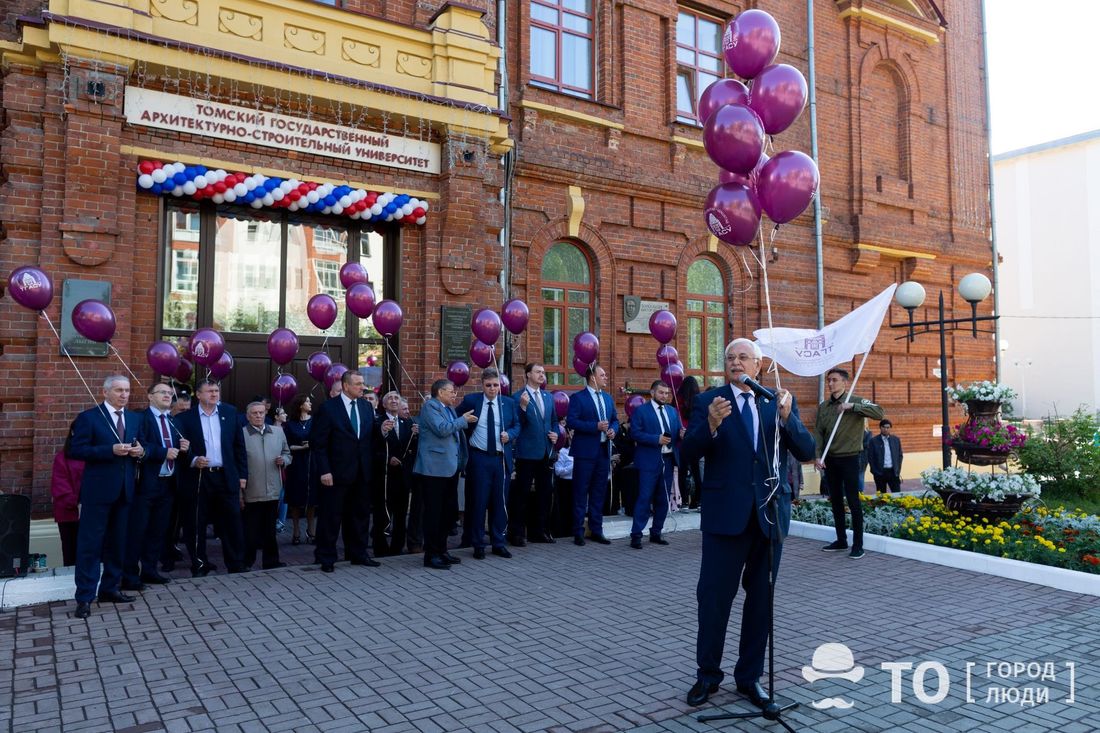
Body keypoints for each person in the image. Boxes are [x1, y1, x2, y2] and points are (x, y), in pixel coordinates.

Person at [681, 339, 815, 708]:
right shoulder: (710, 401)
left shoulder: (778, 401)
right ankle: (707, 676)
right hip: (726, 517)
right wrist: (709, 425)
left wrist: (789, 419)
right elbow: (687, 453)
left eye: (743, 357)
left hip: (769, 517)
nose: (735, 362)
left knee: (761, 602)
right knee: (713, 601)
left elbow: (806, 451)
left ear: (759, 365)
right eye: (729, 358)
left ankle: (750, 678)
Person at [67, 375, 147, 619]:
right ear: (105, 392)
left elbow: (143, 446)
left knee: (118, 543)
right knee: (90, 546)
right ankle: (84, 597)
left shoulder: (134, 418)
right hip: (98, 493)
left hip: (124, 491)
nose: (124, 395)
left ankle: (110, 588)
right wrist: (108, 450)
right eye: (119, 390)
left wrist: (141, 451)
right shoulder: (89, 418)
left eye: (127, 390)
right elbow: (75, 450)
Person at [176, 378, 249, 577]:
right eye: (209, 391)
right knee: (196, 522)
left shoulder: (229, 413)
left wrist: (242, 475)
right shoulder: (185, 418)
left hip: (225, 476)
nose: (214, 394)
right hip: (199, 477)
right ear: (198, 395)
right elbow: (179, 449)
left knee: (232, 521)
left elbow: (239, 447)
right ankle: (200, 564)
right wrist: (192, 460)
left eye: (216, 391)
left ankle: (236, 563)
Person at [312, 370, 380, 573]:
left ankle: (358, 553)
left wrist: (383, 431)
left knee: (360, 515)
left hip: (361, 472)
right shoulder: (328, 408)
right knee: (331, 517)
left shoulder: (366, 407)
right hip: (336, 473)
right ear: (346, 386)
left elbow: (369, 439)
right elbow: (319, 443)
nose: (362, 387)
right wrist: (325, 471)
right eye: (358, 384)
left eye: (362, 383)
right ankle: (326, 557)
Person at [123, 383, 189, 590]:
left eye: (170, 393)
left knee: (158, 531)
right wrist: (163, 452)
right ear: (150, 396)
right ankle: (131, 576)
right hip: (145, 484)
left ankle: (150, 570)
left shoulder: (173, 420)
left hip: (168, 484)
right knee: (137, 531)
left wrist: (183, 447)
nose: (168, 396)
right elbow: (138, 444)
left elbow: (175, 449)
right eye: (163, 392)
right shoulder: (141, 418)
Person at [814, 368, 885, 559]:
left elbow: (879, 412)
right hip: (830, 460)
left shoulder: (856, 400)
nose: (830, 383)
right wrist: (818, 456)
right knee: (835, 500)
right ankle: (841, 540)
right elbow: (819, 433)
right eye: (828, 380)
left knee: (853, 502)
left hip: (851, 458)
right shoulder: (824, 406)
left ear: (845, 382)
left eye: (834, 380)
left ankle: (858, 545)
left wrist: (852, 407)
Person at [457, 368, 521, 559]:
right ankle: (478, 544)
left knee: (499, 502)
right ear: (482, 385)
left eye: (496, 385)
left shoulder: (508, 403)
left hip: (500, 459)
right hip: (479, 458)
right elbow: (456, 418)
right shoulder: (472, 401)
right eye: (489, 385)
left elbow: (517, 425)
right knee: (478, 501)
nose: (493, 389)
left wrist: (509, 435)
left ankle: (498, 542)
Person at [413, 379, 475, 570]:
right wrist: (463, 420)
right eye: (451, 391)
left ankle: (442, 550)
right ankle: (431, 554)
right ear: (440, 392)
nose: (454, 395)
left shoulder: (448, 408)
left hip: (449, 468)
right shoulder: (431, 407)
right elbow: (442, 430)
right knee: (434, 513)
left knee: (447, 513)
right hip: (433, 469)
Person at [566, 364, 619, 546]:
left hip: (603, 451)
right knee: (581, 492)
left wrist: (613, 430)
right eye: (602, 374)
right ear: (592, 377)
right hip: (585, 453)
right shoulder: (578, 398)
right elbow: (572, 421)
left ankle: (597, 530)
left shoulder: (608, 398)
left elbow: (615, 420)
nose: (606, 377)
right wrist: (594, 427)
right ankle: (578, 531)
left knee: (599, 492)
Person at [629, 380, 683, 549]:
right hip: (648, 461)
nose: (665, 396)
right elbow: (635, 433)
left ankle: (656, 532)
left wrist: (681, 434)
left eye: (667, 393)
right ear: (652, 393)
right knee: (644, 498)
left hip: (667, 460)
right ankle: (636, 535)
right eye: (661, 393)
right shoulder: (641, 411)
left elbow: (677, 431)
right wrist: (656, 439)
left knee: (663, 500)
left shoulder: (672, 411)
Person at [510, 363, 559, 545]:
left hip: (546, 452)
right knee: (521, 494)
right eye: (538, 372)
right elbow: (516, 424)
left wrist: (556, 433)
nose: (542, 375)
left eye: (543, 373)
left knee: (544, 493)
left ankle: (539, 531)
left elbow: (553, 421)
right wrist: (522, 408)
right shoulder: (518, 397)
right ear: (528, 375)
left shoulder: (548, 397)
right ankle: (517, 533)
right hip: (527, 453)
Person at [241, 401, 292, 570]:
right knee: (250, 530)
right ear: (248, 416)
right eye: (254, 413)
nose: (258, 416)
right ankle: (246, 562)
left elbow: (287, 453)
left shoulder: (278, 432)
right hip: (251, 488)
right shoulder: (241, 434)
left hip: (273, 488)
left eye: (261, 413)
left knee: (270, 529)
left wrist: (283, 460)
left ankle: (271, 561)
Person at [372, 391, 416, 556]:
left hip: (403, 478)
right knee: (382, 514)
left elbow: (410, 450)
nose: (393, 400)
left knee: (401, 514)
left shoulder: (407, 423)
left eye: (396, 398)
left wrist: (416, 436)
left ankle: (397, 548)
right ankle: (380, 548)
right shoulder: (377, 423)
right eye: (389, 398)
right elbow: (372, 448)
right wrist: (387, 458)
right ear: (384, 404)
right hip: (384, 478)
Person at [283, 394, 317, 545]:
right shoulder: (290, 425)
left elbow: (320, 440)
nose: (310, 404)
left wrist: (311, 446)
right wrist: (301, 447)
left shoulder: (315, 422)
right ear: (300, 405)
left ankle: (311, 530)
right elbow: (286, 446)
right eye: (307, 402)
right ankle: (295, 530)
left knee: (312, 498)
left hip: (312, 463)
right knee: (295, 499)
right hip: (296, 464)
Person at [49, 421, 84, 567]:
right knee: (71, 554)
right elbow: (60, 486)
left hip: (93, 510)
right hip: (69, 513)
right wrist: (78, 503)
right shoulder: (62, 457)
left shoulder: (96, 454)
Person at [399, 398, 424, 553]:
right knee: (415, 508)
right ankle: (412, 542)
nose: (408, 411)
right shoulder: (412, 423)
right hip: (413, 470)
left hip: (433, 470)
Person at [677, 376, 703, 510]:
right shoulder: (699, 401)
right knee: (696, 471)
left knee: (683, 472)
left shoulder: (677, 401)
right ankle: (697, 501)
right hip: (695, 440)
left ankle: (685, 502)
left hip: (682, 441)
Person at [867, 419, 903, 493]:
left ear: (890, 428)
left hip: (893, 472)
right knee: (881, 497)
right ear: (880, 428)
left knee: (897, 494)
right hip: (880, 472)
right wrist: (875, 471)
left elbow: (900, 456)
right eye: (884, 427)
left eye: (888, 427)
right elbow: (870, 457)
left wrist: (897, 470)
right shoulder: (873, 441)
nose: (886, 429)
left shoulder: (896, 440)